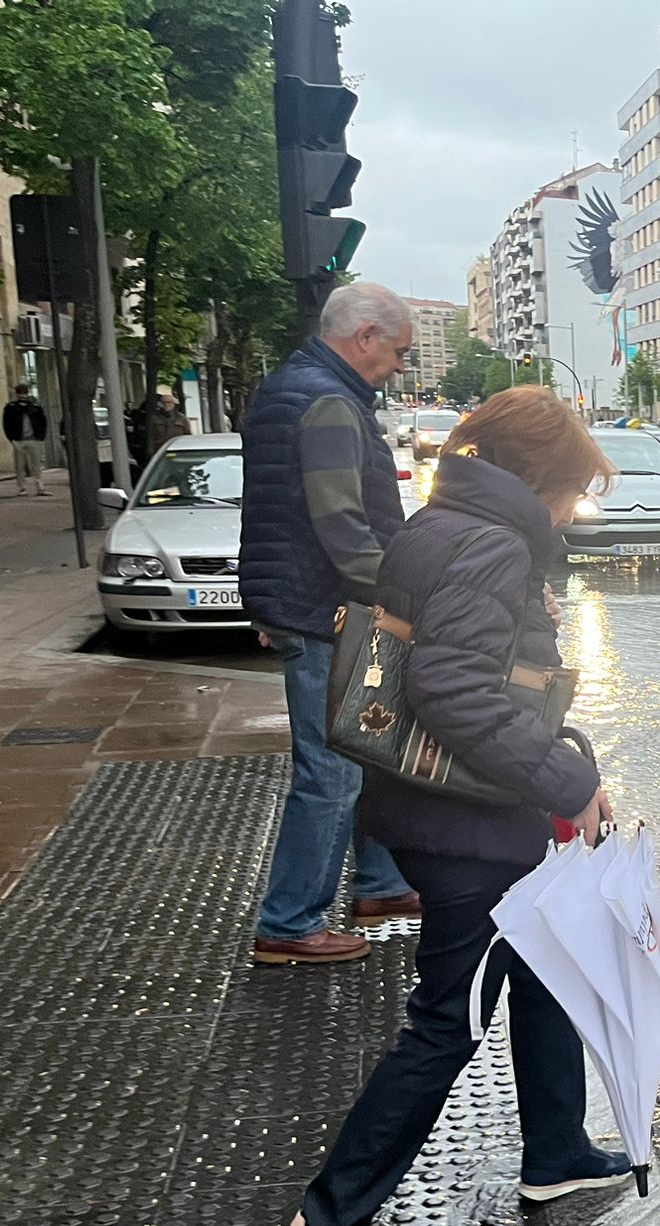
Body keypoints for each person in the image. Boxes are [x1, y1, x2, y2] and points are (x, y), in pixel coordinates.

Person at [276, 388, 627, 1226]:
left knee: (546, 968)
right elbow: (451, 688)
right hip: (468, 827)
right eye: (572, 492)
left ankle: (557, 1151)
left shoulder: (439, 521)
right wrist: (568, 782)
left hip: (438, 807)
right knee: (447, 1023)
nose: (571, 511)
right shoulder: (493, 543)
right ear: (538, 478)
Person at [239, 282, 420, 965]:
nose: (399, 366)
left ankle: (380, 885)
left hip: (310, 602)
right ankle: (289, 924)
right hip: (327, 609)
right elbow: (342, 526)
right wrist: (405, 595)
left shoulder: (296, 386)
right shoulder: (328, 402)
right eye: (398, 352)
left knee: (365, 752)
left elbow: (278, 509)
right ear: (365, 336)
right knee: (332, 772)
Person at [3, 384, 48, 497]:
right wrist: (12, 439)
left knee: (36, 465)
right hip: (19, 440)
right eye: (20, 392)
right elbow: (6, 424)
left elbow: (43, 422)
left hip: (33, 439)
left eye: (24, 392)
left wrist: (40, 437)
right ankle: (23, 488)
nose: (22, 395)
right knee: (20, 465)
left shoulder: (35, 407)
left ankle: (39, 486)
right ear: (17, 394)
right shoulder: (11, 407)